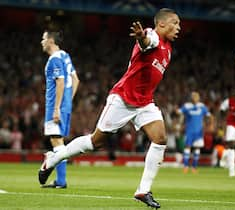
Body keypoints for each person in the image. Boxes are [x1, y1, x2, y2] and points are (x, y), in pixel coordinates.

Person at [38, 8, 180, 208]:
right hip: (122, 99)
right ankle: (52, 160)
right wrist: (141, 38)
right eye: (175, 23)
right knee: (94, 143)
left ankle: (143, 190)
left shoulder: (168, 49)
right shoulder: (152, 35)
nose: (178, 28)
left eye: (179, 24)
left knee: (160, 139)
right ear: (162, 24)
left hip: (144, 102)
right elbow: (147, 42)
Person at [40, 30, 80, 188]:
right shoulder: (65, 55)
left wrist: (57, 107)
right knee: (58, 140)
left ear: (50, 40)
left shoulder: (54, 59)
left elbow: (61, 82)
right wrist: (67, 102)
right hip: (64, 105)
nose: (41, 42)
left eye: (43, 38)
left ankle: (61, 180)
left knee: (56, 140)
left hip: (55, 105)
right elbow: (75, 80)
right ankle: (60, 180)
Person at [176, 91, 213, 174]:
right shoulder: (187, 106)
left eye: (196, 97)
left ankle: (194, 167)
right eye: (193, 96)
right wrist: (177, 110)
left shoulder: (202, 106)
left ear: (198, 98)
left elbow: (209, 116)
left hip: (198, 132)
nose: (195, 98)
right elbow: (178, 112)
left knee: (197, 148)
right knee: (187, 147)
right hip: (189, 131)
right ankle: (185, 166)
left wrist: (210, 125)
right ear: (191, 98)